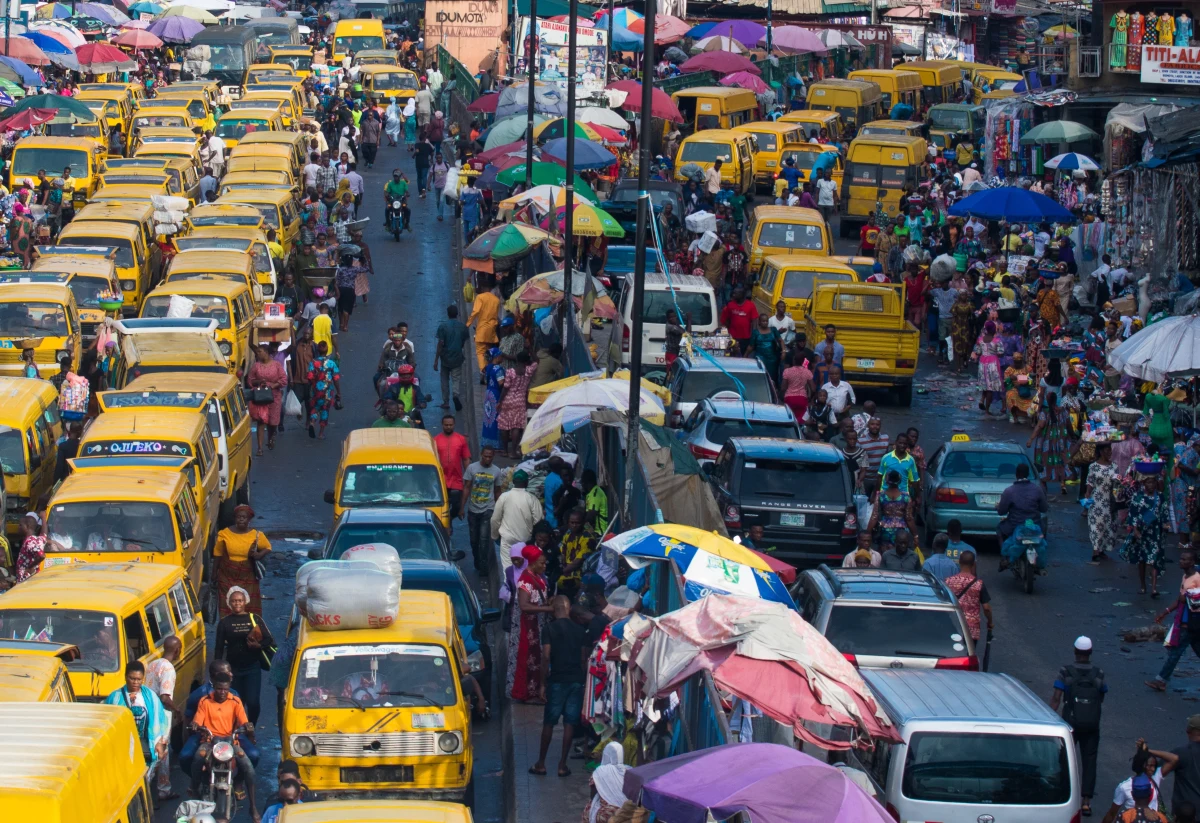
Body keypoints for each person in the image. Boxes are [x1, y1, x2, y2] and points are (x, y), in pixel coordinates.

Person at [531, 595, 587, 776]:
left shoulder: (549, 629)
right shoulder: (580, 630)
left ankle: (541, 763)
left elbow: (545, 656)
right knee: (569, 723)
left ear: (553, 610)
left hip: (557, 681)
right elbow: (583, 658)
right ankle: (562, 765)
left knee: (549, 722)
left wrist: (542, 684)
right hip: (576, 680)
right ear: (569, 609)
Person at [189, 672, 258, 819]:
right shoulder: (205, 701)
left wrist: (247, 727)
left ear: (229, 688)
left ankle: (253, 807)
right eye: (219, 689)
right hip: (209, 742)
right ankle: (194, 789)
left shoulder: (235, 702)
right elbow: (198, 720)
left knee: (249, 768)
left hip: (230, 743)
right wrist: (195, 725)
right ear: (214, 687)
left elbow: (243, 721)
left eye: (225, 689)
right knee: (197, 758)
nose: (222, 692)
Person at [1050, 636, 1107, 816]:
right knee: (1089, 761)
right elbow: (1101, 697)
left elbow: (1056, 698)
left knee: (1064, 758)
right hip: (1091, 724)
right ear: (1090, 653)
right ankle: (1086, 802)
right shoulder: (1099, 673)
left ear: (1075, 651)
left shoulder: (1066, 671)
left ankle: (1061, 793)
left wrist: (1050, 718)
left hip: (1070, 723)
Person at [215, 585, 273, 728]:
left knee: (253, 702)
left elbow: (269, 640)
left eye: (240, 600)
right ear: (229, 603)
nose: (237, 604)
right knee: (237, 702)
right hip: (233, 669)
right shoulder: (224, 623)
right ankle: (236, 729)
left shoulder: (255, 619)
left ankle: (251, 726)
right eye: (234, 601)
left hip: (253, 667)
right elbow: (219, 648)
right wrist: (217, 670)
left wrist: (258, 646)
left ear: (245, 601)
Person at [1149, 550, 1200, 691]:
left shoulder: (1197, 578)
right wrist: (1165, 612)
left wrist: (1189, 597)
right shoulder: (1186, 577)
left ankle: (1161, 680)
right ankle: (1161, 680)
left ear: (1192, 562)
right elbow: (1180, 599)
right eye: (1181, 559)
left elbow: (1191, 599)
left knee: (1176, 651)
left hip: (1191, 622)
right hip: (1189, 621)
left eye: (1185, 559)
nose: (1181, 561)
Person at [508, 545, 552, 702]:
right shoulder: (525, 581)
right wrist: (547, 609)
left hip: (537, 625)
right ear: (532, 563)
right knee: (528, 657)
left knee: (537, 656)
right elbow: (524, 605)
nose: (544, 566)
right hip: (528, 627)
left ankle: (535, 690)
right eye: (541, 563)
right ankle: (525, 692)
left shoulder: (538, 577)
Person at [214, 505, 272, 618]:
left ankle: (250, 629)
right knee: (227, 604)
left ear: (249, 520)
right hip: (227, 575)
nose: (241, 519)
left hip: (248, 575)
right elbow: (218, 554)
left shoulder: (257, 535)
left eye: (244, 517)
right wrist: (213, 575)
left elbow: (268, 547)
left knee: (249, 604)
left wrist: (259, 555)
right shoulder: (224, 534)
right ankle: (228, 628)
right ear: (235, 518)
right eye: (238, 517)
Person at [144, 636, 181, 801]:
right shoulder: (168, 669)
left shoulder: (153, 664)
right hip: (160, 715)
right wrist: (177, 709)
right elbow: (165, 697)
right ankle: (160, 789)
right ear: (177, 649)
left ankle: (159, 788)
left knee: (151, 749)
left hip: (147, 712)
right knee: (162, 751)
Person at [1121, 475, 1168, 597]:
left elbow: (1164, 512)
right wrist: (1135, 530)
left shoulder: (1160, 497)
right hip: (1141, 532)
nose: (1151, 485)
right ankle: (1143, 586)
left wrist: (1165, 525)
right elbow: (1133, 513)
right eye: (1148, 482)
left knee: (1154, 558)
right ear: (1144, 484)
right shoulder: (1138, 496)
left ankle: (1153, 588)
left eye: (1153, 482)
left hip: (1156, 531)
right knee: (1142, 559)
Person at [1101, 742, 1171, 823]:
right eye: (1150, 765)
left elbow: (1174, 759)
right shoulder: (1124, 787)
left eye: (1154, 766)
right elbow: (1111, 814)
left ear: (1133, 794)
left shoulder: (1125, 817)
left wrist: (1147, 751)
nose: (1153, 769)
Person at [944, 551, 993, 665]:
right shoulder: (978, 584)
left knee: (952, 657)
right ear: (973, 564)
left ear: (959, 563)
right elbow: (986, 608)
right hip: (971, 629)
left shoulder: (948, 581)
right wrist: (990, 622)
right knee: (968, 657)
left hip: (953, 625)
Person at [492, 470, 544, 569]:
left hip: (507, 538)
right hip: (525, 539)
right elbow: (539, 521)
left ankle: (510, 583)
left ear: (513, 482)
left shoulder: (504, 497)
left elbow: (495, 519)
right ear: (526, 482)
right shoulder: (532, 498)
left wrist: (494, 536)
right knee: (524, 568)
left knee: (508, 568)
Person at [463, 446, 500, 572]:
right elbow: (467, 488)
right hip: (473, 510)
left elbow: (497, 491)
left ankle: (483, 567)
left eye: (490, 456)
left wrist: (499, 510)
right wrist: (461, 507)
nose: (487, 458)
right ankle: (477, 560)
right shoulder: (472, 468)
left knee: (484, 539)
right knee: (474, 540)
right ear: (481, 455)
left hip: (488, 510)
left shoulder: (496, 471)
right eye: (485, 456)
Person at [248, 344, 287, 457]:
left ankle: (271, 436)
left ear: (266, 352)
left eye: (260, 352)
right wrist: (259, 382)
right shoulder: (256, 366)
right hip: (261, 396)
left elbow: (284, 379)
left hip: (274, 395)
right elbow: (250, 380)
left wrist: (274, 385)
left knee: (272, 421)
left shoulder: (276, 365)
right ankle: (260, 448)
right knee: (261, 421)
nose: (258, 354)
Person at [997, 463, 1049, 542]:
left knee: (999, 528)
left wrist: (998, 507)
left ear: (1016, 474)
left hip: (1014, 525)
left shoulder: (1009, 491)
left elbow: (1001, 511)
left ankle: (1004, 553)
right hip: (1034, 524)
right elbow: (1044, 509)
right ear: (1028, 474)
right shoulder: (1037, 489)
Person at [435, 414, 471, 525]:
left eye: (450, 425)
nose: (448, 427)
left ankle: (448, 520)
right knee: (442, 505)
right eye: (446, 425)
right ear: (442, 425)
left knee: (456, 506)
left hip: (456, 479)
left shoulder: (461, 440)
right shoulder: (435, 440)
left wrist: (468, 475)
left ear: (454, 425)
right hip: (441, 479)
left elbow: (465, 459)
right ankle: (446, 525)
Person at [869, 471, 917, 554]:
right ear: (899, 481)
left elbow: (874, 516)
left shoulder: (881, 495)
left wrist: (868, 533)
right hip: (901, 531)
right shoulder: (906, 497)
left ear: (887, 481)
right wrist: (915, 535)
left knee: (885, 554)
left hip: (885, 530)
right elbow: (909, 518)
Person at [500, 351, 536, 459]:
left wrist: (500, 401)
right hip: (520, 401)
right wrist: (530, 351)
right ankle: (513, 452)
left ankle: (505, 451)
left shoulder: (510, 372)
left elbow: (505, 388)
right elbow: (536, 361)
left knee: (504, 425)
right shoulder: (529, 371)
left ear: (517, 360)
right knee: (516, 427)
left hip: (508, 399)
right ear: (526, 361)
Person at [584, 741, 630, 823]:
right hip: (628, 812)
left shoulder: (600, 771)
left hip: (607, 814)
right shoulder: (629, 770)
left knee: (589, 807)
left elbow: (593, 795)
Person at [305, 340, 341, 439]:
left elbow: (309, 377)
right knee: (325, 410)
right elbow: (336, 379)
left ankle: (312, 422)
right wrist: (339, 392)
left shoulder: (313, 362)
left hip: (316, 390)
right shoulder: (331, 363)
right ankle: (321, 433)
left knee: (315, 408)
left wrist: (311, 388)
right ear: (327, 350)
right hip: (328, 392)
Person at [467, 276, 501, 373]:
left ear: (483, 288)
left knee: (480, 352)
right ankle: (489, 371)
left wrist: (468, 324)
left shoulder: (480, 297)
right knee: (489, 352)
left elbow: (475, 312)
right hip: (491, 331)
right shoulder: (496, 300)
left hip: (481, 330)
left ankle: (484, 371)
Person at [719, 287, 758, 356]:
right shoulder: (730, 305)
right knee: (730, 354)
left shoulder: (751, 305)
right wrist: (724, 334)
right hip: (732, 336)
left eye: (736, 293)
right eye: (733, 293)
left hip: (745, 338)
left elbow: (754, 321)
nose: (733, 295)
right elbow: (726, 321)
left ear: (742, 294)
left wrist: (753, 336)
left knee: (742, 355)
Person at [15, 513, 45, 582]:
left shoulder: (30, 541)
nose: (18, 527)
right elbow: (44, 534)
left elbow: (41, 555)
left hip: (26, 580)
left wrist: (30, 567)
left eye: (20, 525)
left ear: (27, 526)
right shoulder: (36, 539)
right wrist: (43, 518)